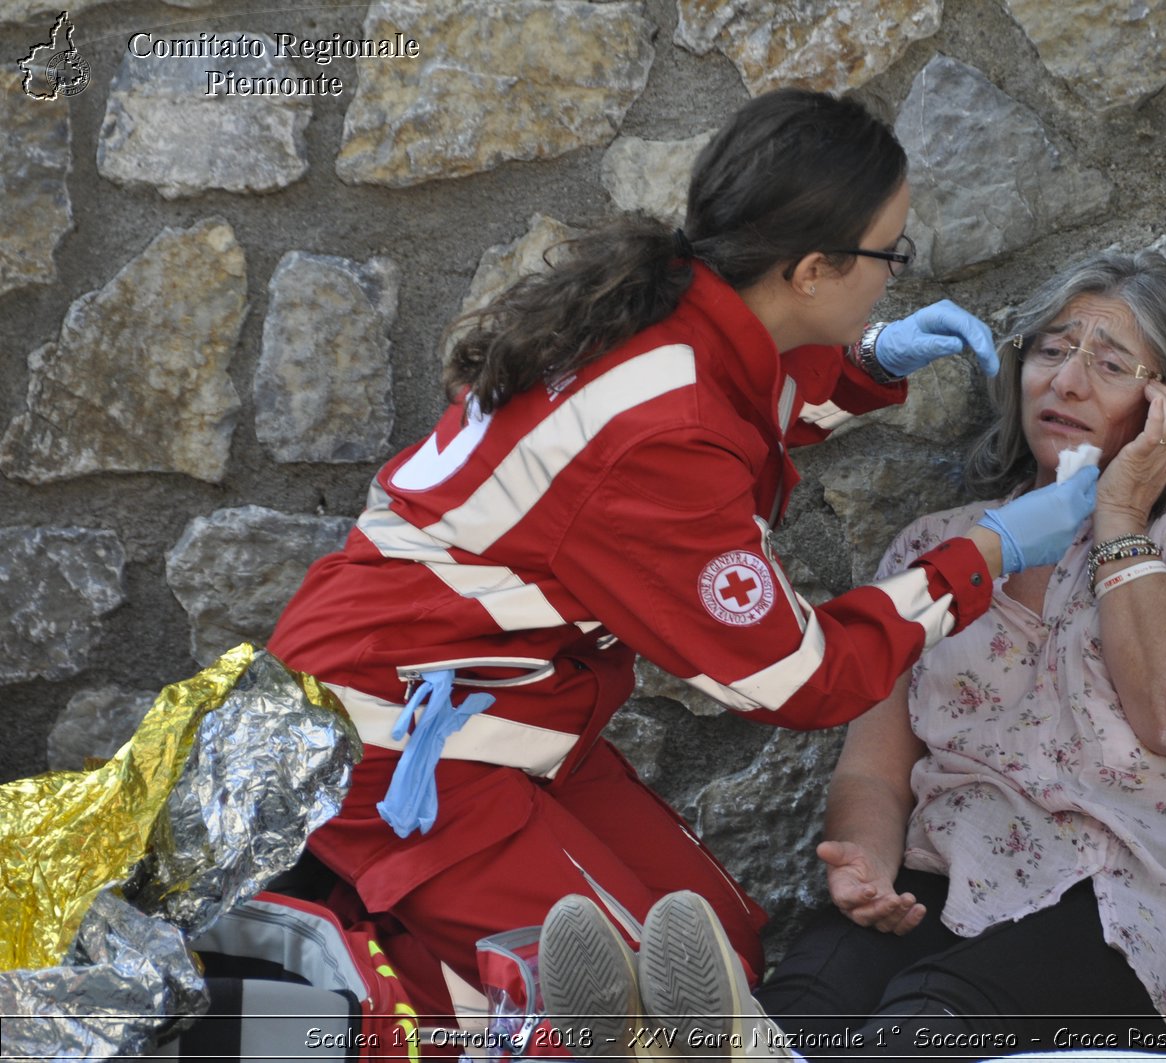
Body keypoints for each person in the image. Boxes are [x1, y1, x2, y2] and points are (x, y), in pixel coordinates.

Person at [265, 88, 1100, 1024]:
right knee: (634, 1010)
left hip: (496, 704)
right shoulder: (663, 435)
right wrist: (986, 553)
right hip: (403, 742)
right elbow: (801, 676)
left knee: (716, 944)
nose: (896, 275)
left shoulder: (670, 313)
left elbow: (745, 399)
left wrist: (870, 363)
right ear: (814, 269)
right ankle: (346, 1002)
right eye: (890, 254)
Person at [537, 249, 1166, 1061]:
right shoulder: (944, 546)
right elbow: (874, 770)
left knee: (926, 1019)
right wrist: (868, 861)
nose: (1066, 382)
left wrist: (1120, 511)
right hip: (944, 878)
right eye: (1051, 350)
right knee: (805, 1003)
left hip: (1128, 901)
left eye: (1112, 363)